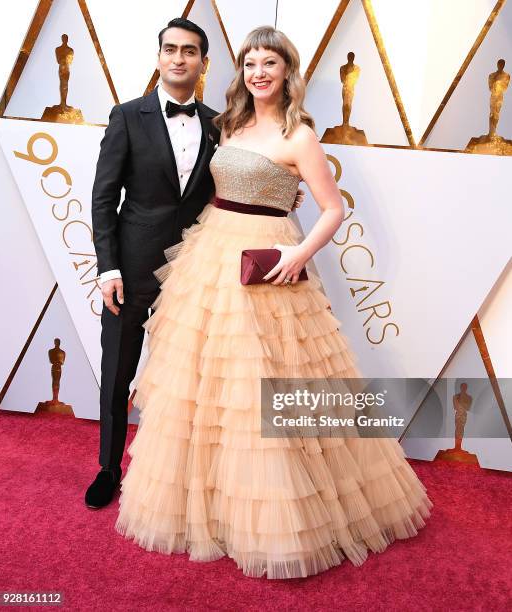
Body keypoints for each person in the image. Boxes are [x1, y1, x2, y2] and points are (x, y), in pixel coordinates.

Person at [115, 26, 432, 579]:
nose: (259, 72)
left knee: (269, 385)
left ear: (288, 72)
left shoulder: (300, 135)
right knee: (207, 387)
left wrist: (299, 255)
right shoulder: (229, 125)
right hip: (211, 252)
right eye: (251, 63)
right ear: (241, 71)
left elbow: (331, 209)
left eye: (270, 63)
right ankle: (208, 508)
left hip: (269, 261)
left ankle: (282, 511)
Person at [87, 18, 303, 509]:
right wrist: (108, 267)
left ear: (204, 63)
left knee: (192, 381)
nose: (179, 59)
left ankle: (181, 478)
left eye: (189, 51)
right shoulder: (126, 116)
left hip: (200, 268)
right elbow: (103, 198)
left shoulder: (221, 124)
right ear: (159, 57)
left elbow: (243, 181)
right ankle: (107, 467)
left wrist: (284, 194)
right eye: (170, 50)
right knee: (119, 369)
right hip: (134, 268)